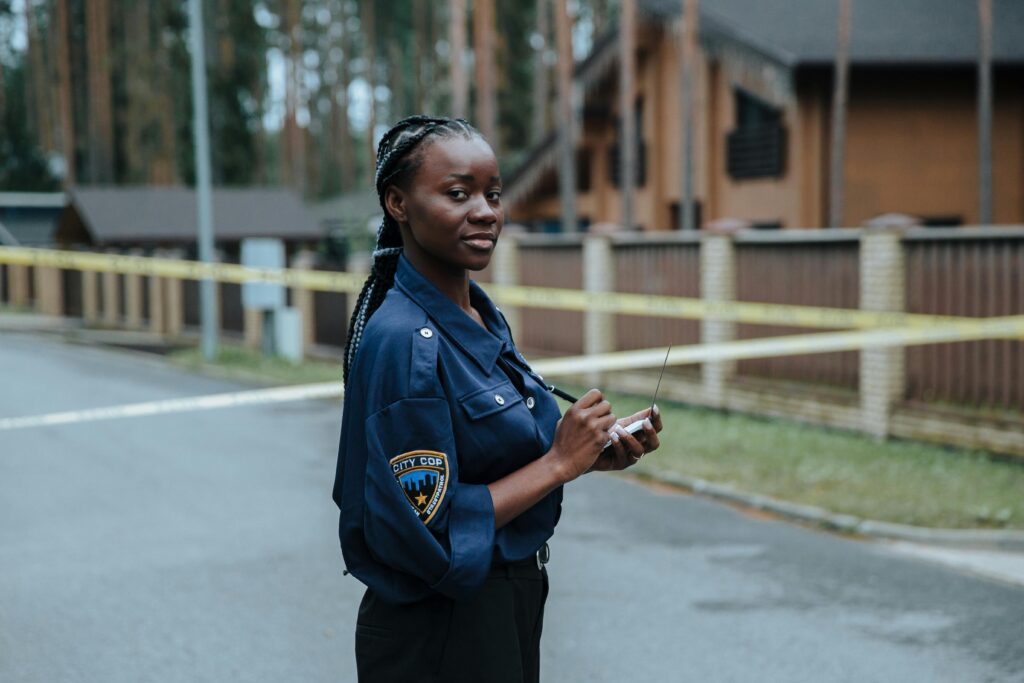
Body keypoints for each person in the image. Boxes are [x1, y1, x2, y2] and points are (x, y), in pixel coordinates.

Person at [332, 115, 664, 683]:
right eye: (457, 194)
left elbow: (488, 462)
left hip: (505, 602)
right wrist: (558, 462)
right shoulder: (407, 343)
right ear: (398, 204)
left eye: (493, 194)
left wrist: (585, 455)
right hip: (443, 626)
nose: (485, 211)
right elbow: (425, 528)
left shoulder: (479, 315)